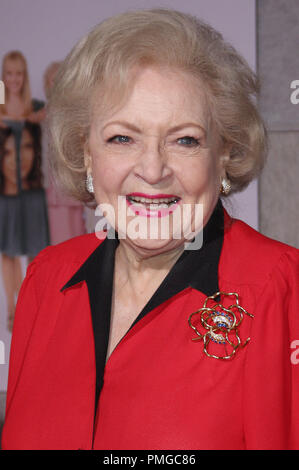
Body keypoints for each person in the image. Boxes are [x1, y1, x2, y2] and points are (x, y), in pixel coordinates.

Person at [2, 9, 298, 450]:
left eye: (185, 140)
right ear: (86, 153)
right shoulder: (46, 279)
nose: (153, 170)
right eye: (122, 138)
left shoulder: (280, 287)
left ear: (224, 153)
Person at [0, 51, 49, 332]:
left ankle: (30, 304)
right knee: (7, 252)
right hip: (5, 193)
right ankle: (12, 307)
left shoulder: (38, 106)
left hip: (32, 191)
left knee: (33, 252)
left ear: (24, 76)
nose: (14, 79)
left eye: (19, 73)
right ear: (3, 76)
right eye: (9, 73)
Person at [43, 62, 86, 245]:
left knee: (78, 234)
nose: (58, 83)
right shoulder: (42, 115)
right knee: (60, 238)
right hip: (53, 189)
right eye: (54, 80)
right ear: (47, 84)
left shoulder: (76, 113)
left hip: (74, 184)